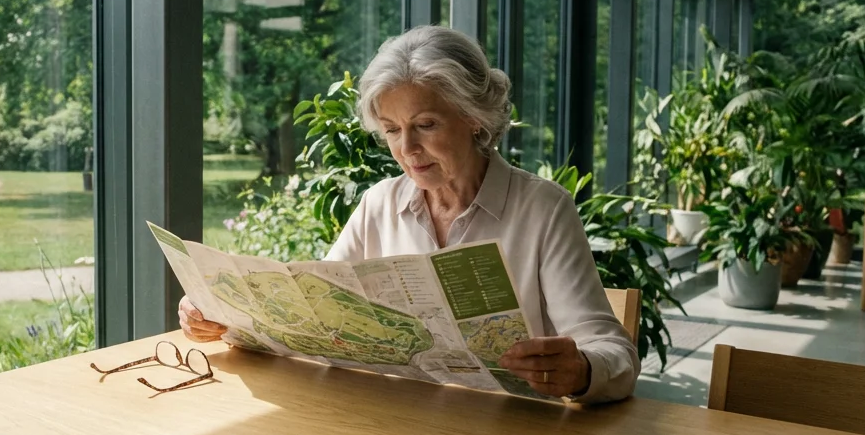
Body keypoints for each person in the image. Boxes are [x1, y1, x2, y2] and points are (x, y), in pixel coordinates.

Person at [180, 25, 639, 404]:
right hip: (392, 428)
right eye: (393, 130)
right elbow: (315, 314)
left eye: (426, 125)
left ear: (474, 116)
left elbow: (614, 351)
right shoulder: (379, 203)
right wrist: (224, 312)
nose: (407, 150)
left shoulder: (542, 208)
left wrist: (580, 370)